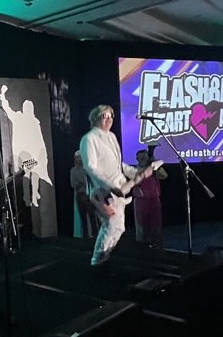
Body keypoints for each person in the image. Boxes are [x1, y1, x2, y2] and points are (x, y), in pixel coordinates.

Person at [79, 104, 140, 268]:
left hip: (119, 189)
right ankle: (97, 259)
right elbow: (90, 167)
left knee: (119, 227)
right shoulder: (89, 139)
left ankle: (105, 256)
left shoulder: (112, 136)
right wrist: (109, 185)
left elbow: (118, 164)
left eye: (110, 116)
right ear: (95, 119)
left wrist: (134, 172)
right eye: (104, 116)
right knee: (111, 226)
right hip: (102, 192)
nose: (108, 119)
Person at [132, 148, 168, 247]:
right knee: (142, 228)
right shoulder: (134, 170)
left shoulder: (153, 169)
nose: (145, 159)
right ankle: (142, 248)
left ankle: (158, 247)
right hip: (141, 201)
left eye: (146, 157)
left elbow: (164, 176)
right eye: (142, 158)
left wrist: (156, 167)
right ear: (137, 159)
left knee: (156, 226)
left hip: (154, 200)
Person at [70, 150, 97, 238]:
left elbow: (91, 181)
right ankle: (85, 234)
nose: (79, 159)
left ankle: (95, 233)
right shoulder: (73, 170)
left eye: (81, 157)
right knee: (83, 216)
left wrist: (82, 183)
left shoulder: (88, 169)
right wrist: (82, 183)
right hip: (80, 195)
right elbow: (73, 183)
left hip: (89, 195)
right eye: (78, 158)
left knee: (92, 215)